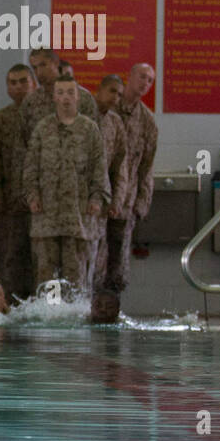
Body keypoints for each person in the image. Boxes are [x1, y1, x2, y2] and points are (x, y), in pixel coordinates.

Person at [23, 76, 110, 293]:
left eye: (70, 93)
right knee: (47, 278)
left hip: (78, 217)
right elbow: (30, 166)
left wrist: (97, 198)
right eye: (60, 93)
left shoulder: (89, 129)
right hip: (47, 217)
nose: (65, 98)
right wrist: (32, 196)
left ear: (78, 97)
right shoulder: (43, 128)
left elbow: (100, 167)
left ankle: (75, 317)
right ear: (53, 97)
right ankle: (50, 317)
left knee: (76, 277)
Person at [0, 64, 37, 300]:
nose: (18, 87)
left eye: (23, 81)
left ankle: (41, 306)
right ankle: (11, 304)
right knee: (11, 257)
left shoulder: (45, 115)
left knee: (41, 258)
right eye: (12, 82)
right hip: (11, 203)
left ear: (33, 84)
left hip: (41, 204)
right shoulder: (0, 119)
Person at [106, 63, 158, 293]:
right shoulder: (108, 107)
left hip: (126, 203)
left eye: (150, 80)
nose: (145, 83)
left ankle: (112, 309)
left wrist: (141, 205)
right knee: (92, 259)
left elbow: (147, 168)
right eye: (142, 77)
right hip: (98, 198)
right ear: (129, 76)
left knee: (117, 263)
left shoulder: (148, 122)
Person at [89, 75, 129, 292]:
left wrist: (117, 200)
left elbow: (121, 166)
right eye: (112, 91)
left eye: (120, 94)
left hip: (102, 204)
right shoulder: (83, 116)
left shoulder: (115, 123)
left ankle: (95, 307)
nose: (116, 98)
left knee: (100, 260)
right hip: (80, 203)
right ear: (100, 90)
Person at [20, 47, 98, 145]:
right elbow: (23, 142)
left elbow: (94, 140)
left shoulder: (83, 97)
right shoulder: (30, 101)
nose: (39, 73)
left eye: (43, 65)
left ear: (56, 63)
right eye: (34, 68)